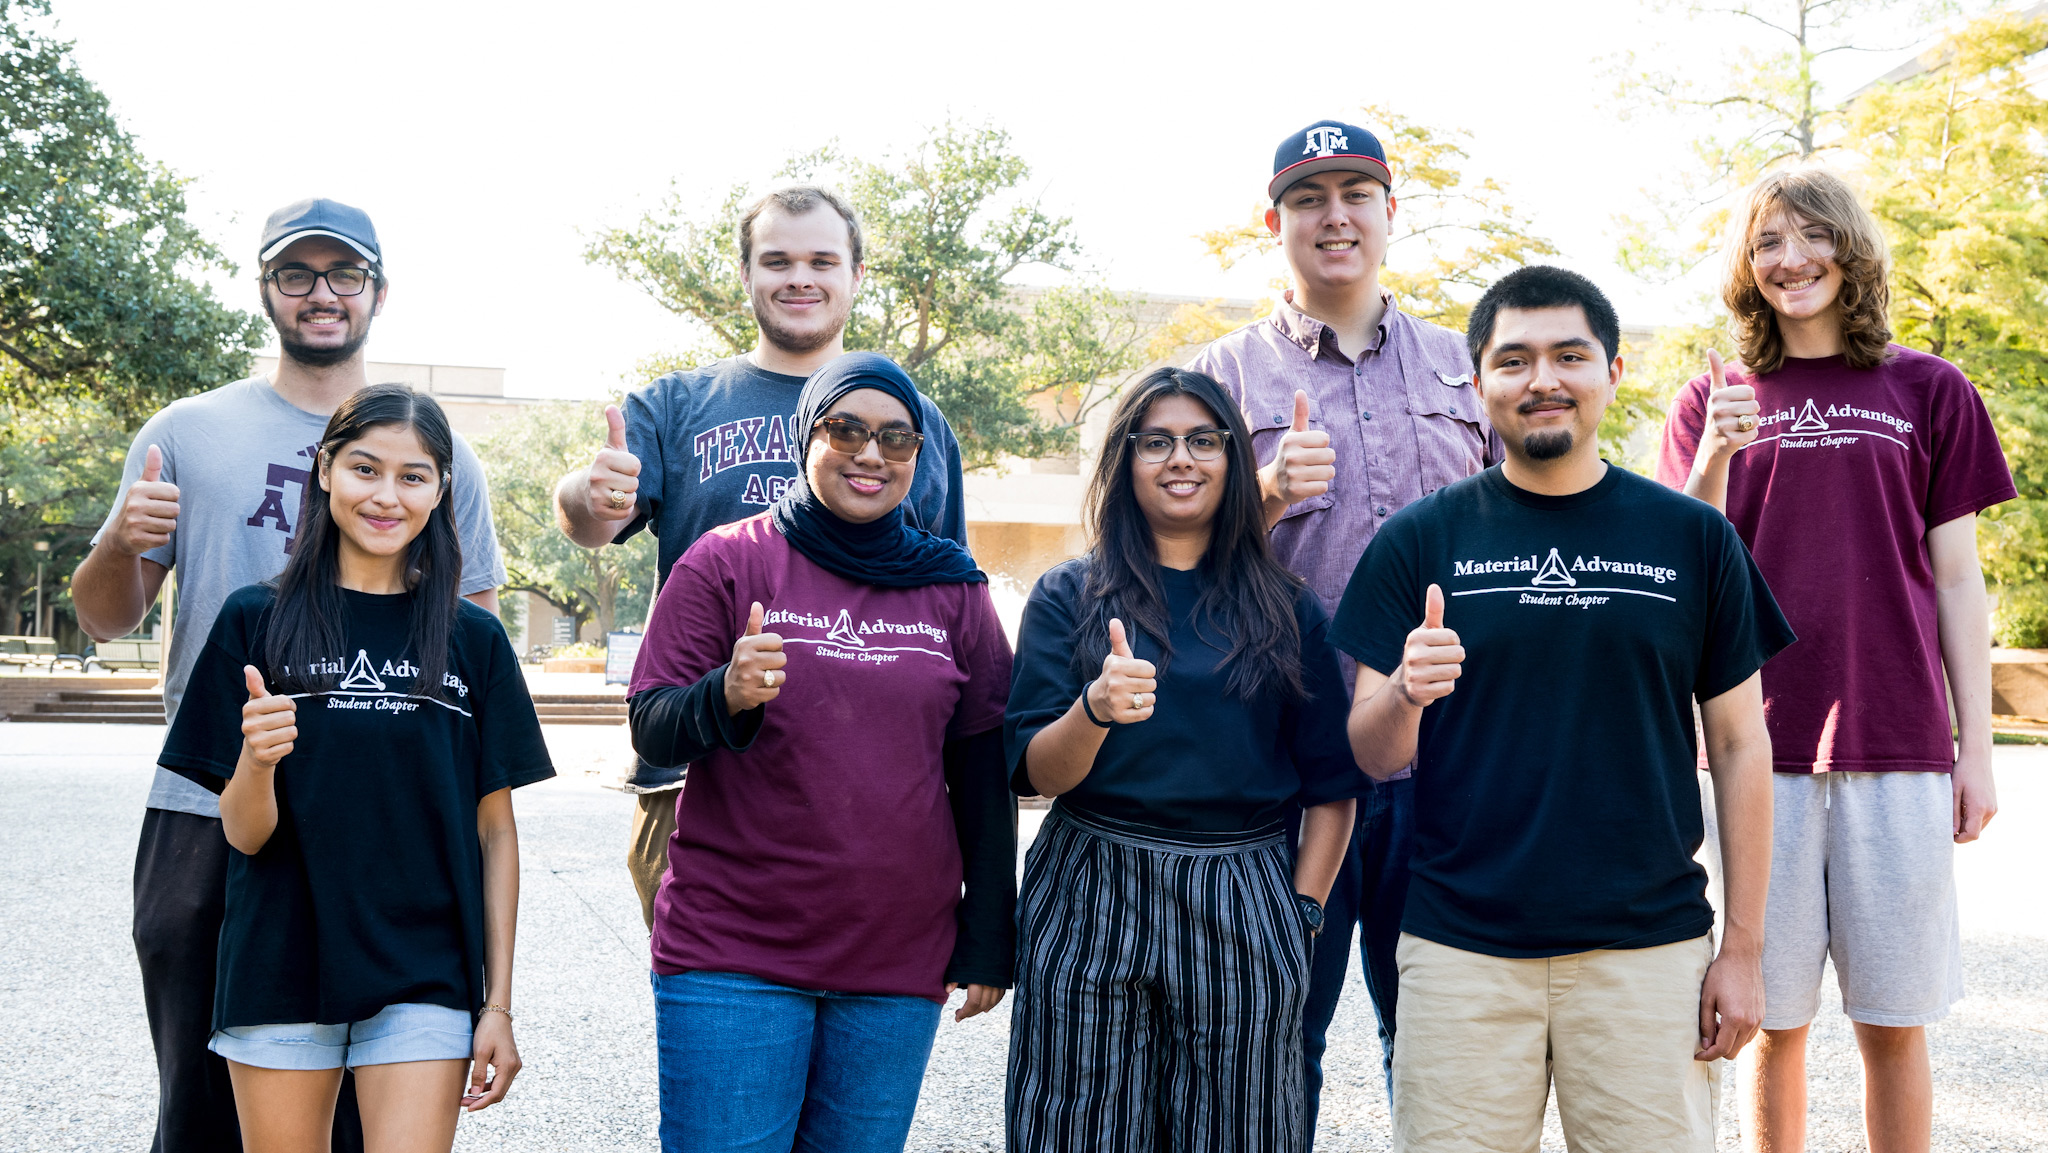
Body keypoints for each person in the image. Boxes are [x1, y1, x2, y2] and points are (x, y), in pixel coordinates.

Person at [72, 198, 506, 1153]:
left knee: (374, 1107)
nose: (322, 294)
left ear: (377, 293)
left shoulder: (440, 451)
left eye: (343, 275)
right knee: (198, 1102)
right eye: (297, 274)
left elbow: (469, 641)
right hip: (211, 804)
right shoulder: (189, 430)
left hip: (382, 822)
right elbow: (106, 618)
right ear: (266, 289)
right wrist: (120, 537)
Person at [1335, 265, 1793, 1151]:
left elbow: (1741, 745)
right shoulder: (1420, 538)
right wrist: (1403, 689)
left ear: (1613, 373)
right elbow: (1370, 751)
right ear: (1479, 387)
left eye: (1569, 355)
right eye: (1513, 361)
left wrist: (1741, 951)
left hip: (1648, 955)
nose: (1542, 379)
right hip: (1461, 952)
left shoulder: (1694, 538)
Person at [1656, 169, 2012, 1153]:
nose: (1789, 258)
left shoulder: (1928, 389)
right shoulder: (1712, 397)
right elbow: (1681, 570)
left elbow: (1954, 580)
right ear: (1746, 268)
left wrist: (1971, 751)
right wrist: (1709, 462)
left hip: (1896, 743)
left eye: (1810, 235)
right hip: (1750, 752)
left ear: (1849, 250)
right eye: (1766, 242)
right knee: (1773, 1019)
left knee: (1892, 1020)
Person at [1186, 118, 1503, 1130]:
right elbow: (1159, 568)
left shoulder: (1472, 369)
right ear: (1272, 221)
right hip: (1287, 771)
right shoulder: (1217, 381)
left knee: (1445, 1046)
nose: (1335, 215)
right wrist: (1262, 498)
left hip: (1452, 769)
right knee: (1273, 1039)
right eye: (1310, 196)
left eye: (1355, 193)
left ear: (1388, 214)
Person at [552, 185, 970, 928]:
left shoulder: (913, 421)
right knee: (716, 1021)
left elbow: (949, 610)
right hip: (696, 769)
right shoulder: (677, 405)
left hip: (865, 788)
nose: (799, 277)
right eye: (776, 260)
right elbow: (588, 521)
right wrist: (591, 492)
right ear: (745, 274)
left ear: (857, 275)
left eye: (821, 260)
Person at [626, 352, 1013, 1153]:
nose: (871, 454)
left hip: (896, 960)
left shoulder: (954, 589)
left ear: (918, 455)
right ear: (808, 434)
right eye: (847, 429)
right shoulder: (728, 560)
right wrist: (722, 693)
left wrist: (987, 933)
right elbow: (652, 724)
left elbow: (981, 774)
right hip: (733, 951)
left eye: (896, 438)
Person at [155, 384, 552, 1152]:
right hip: (279, 962)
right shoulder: (253, 619)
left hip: (425, 972)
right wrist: (258, 759)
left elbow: (496, 834)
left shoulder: (473, 639)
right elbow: (242, 833)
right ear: (326, 470)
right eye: (366, 468)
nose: (387, 495)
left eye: (414, 476)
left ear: (441, 492)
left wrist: (496, 1005)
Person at [1004, 367, 1365, 1153]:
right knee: (1075, 1128)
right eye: (1156, 441)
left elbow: (1334, 791)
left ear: (1235, 460)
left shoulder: (1286, 605)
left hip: (1241, 887)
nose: (1182, 459)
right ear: (1123, 461)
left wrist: (1301, 912)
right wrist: (1095, 709)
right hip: (1091, 883)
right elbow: (1034, 774)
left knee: (1238, 1131)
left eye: (1204, 440)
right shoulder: (1070, 594)